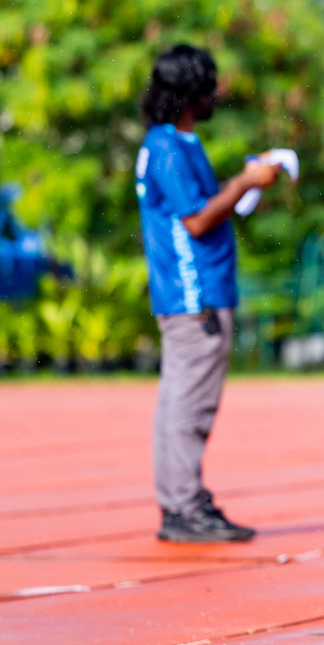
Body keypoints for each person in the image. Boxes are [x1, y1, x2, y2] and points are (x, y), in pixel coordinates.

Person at [135, 44, 282, 543]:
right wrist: (245, 181)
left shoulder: (176, 143)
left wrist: (245, 183)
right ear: (189, 93)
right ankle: (182, 507)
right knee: (187, 405)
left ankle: (183, 502)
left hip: (195, 293)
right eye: (209, 83)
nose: (217, 92)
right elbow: (197, 219)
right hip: (194, 296)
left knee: (181, 401)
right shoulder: (168, 149)